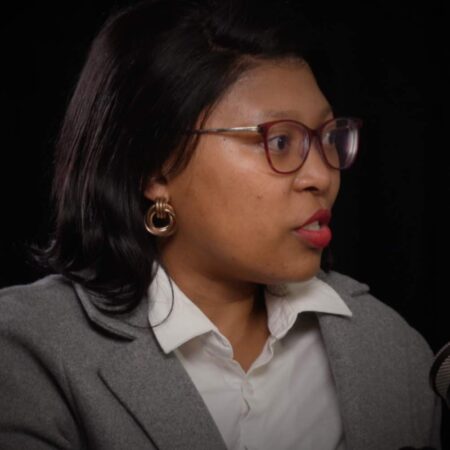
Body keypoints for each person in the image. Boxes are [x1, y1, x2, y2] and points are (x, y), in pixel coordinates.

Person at [0, 0, 441, 449]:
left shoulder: (392, 348)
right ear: (156, 169)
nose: (322, 177)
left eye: (328, 138)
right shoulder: (28, 347)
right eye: (280, 141)